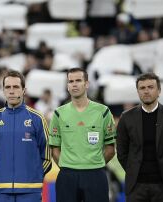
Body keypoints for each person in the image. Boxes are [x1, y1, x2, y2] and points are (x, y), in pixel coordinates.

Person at [49, 68, 116, 202]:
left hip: (96, 174)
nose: (74, 84)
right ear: (67, 86)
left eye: (78, 80)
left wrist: (95, 164)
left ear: (87, 84)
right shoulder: (58, 113)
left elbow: (110, 149)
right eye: (70, 81)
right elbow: (54, 149)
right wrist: (66, 166)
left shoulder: (103, 112)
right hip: (67, 175)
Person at [117, 73, 163, 202]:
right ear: (137, 92)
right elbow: (122, 152)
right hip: (136, 187)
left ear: (159, 90)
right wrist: (133, 170)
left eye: (150, 87)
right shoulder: (126, 118)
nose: (146, 91)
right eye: (142, 88)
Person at [0, 70, 52, 202]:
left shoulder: (38, 118)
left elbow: (46, 155)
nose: (11, 91)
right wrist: (3, 170)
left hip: (30, 191)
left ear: (24, 90)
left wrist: (34, 175)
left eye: (16, 87)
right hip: (1, 189)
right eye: (8, 87)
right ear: (3, 90)